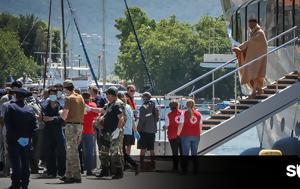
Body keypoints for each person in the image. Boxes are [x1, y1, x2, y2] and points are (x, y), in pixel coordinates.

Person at [4, 88, 38, 189]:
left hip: (14, 139)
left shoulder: (10, 107)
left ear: (16, 96)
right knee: (25, 162)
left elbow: (8, 124)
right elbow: (35, 127)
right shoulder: (30, 109)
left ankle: (15, 184)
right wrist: (29, 137)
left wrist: (10, 137)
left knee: (15, 163)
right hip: (25, 139)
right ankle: (25, 184)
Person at [95, 86, 125, 179]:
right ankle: (104, 170)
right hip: (106, 132)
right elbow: (102, 110)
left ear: (113, 95)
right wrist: (90, 109)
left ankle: (119, 172)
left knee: (115, 153)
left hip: (114, 132)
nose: (106, 96)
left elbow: (122, 118)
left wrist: (118, 130)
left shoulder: (118, 104)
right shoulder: (110, 104)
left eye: (108, 94)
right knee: (103, 152)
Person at [232, 18, 267, 99]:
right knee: (254, 75)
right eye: (249, 24)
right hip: (255, 57)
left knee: (254, 74)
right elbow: (250, 43)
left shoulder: (259, 33)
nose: (250, 26)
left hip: (258, 57)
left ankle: (254, 92)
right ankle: (257, 90)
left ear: (255, 24)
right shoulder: (254, 33)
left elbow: (251, 43)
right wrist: (240, 48)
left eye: (251, 24)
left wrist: (240, 48)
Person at [59, 80, 85, 183]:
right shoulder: (80, 97)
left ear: (65, 89)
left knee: (72, 152)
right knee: (71, 150)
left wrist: (60, 111)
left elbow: (64, 116)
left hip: (71, 127)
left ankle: (77, 175)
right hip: (79, 126)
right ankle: (68, 174)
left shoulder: (68, 99)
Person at [41, 89, 66, 178]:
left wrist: (52, 118)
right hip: (48, 131)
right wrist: (55, 118)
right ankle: (51, 172)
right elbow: (44, 118)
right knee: (49, 152)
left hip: (58, 131)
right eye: (50, 94)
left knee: (61, 152)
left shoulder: (61, 106)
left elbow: (62, 119)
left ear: (56, 95)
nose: (52, 96)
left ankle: (62, 172)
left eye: (53, 94)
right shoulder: (45, 106)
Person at [177, 99, 201, 175]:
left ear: (187, 105)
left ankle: (185, 170)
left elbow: (181, 125)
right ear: (194, 105)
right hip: (196, 135)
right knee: (194, 153)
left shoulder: (183, 114)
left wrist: (178, 134)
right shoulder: (198, 114)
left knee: (185, 153)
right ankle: (195, 170)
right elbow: (200, 126)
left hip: (185, 135)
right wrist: (199, 133)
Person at [117, 92, 139, 175]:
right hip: (129, 132)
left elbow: (121, 119)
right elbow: (133, 121)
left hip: (122, 131)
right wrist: (135, 131)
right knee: (122, 151)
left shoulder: (120, 107)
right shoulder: (129, 107)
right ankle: (124, 167)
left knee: (121, 151)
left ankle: (134, 164)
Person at [137, 92, 158, 171]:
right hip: (152, 131)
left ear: (145, 97)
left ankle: (141, 165)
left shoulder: (143, 107)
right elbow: (157, 119)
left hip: (144, 131)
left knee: (142, 149)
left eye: (142, 97)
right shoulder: (155, 106)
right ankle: (153, 165)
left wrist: (137, 130)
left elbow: (141, 120)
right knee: (151, 149)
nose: (142, 98)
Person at [81, 92, 98, 176]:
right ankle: (89, 170)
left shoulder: (79, 105)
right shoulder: (93, 105)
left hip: (79, 130)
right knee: (89, 151)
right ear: (90, 97)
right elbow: (96, 115)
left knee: (78, 150)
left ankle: (79, 168)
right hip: (89, 130)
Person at [164, 101, 183, 172]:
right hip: (181, 135)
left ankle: (175, 168)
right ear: (178, 106)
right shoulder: (182, 113)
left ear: (170, 107)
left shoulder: (168, 115)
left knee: (175, 152)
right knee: (182, 152)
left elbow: (166, 126)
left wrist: (163, 128)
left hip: (172, 136)